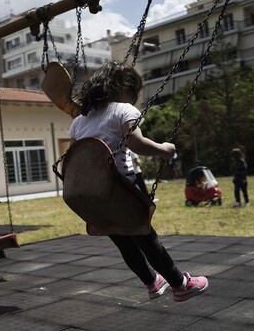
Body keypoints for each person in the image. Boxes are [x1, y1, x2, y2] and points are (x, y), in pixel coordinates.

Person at [68, 62, 208, 302]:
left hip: (90, 196)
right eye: (134, 94)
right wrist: (165, 149)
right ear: (126, 87)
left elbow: (74, 157)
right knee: (146, 237)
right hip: (119, 192)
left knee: (124, 243)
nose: (133, 101)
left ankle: (153, 282)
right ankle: (180, 283)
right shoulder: (123, 110)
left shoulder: (80, 120)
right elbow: (137, 144)